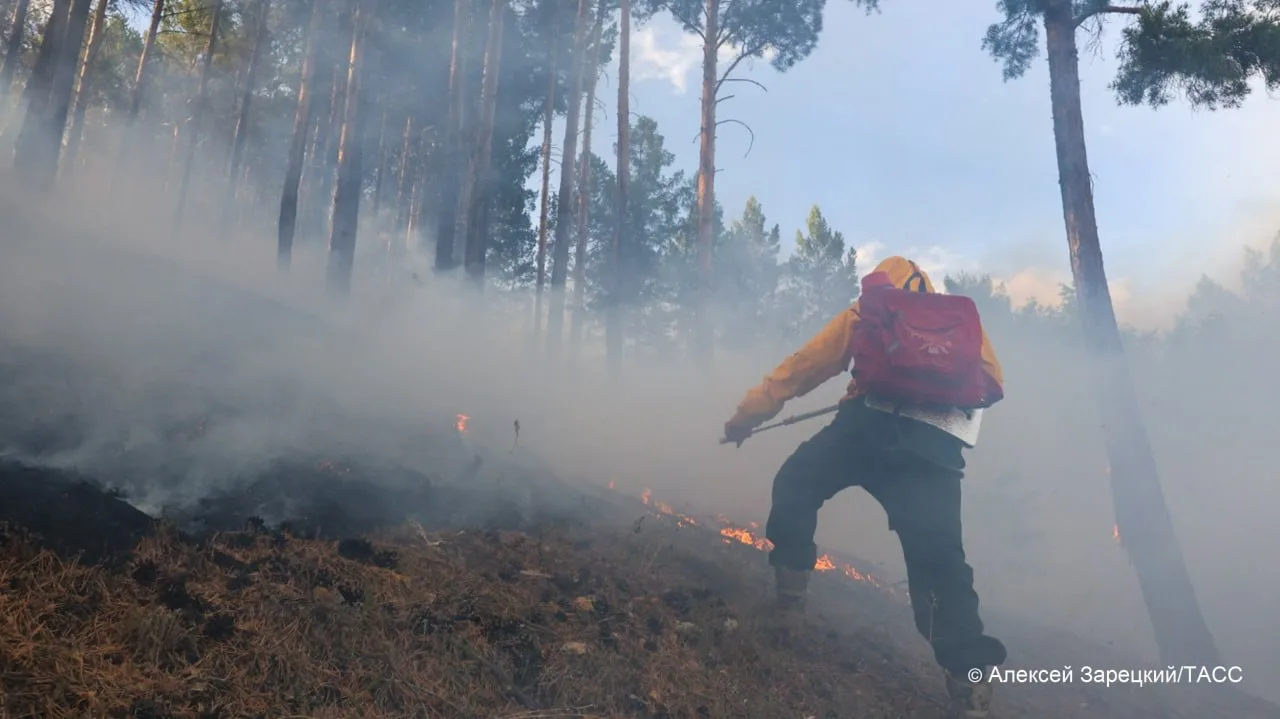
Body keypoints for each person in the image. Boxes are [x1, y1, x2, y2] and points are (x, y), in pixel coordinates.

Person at [722, 256, 1007, 719]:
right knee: (941, 564)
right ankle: (970, 687)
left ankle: (789, 607)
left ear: (881, 283)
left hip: (865, 431)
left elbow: (803, 366)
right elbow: (993, 382)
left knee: (796, 483)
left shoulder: (870, 310)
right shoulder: (959, 321)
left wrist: (747, 416)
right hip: (933, 450)